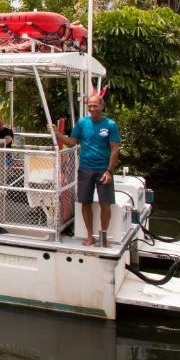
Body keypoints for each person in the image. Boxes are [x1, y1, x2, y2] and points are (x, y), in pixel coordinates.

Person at [57, 95, 121, 247]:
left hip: (103, 170)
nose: (92, 108)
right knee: (85, 203)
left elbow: (115, 149)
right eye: (90, 106)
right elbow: (72, 142)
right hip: (85, 168)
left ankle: (103, 238)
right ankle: (89, 236)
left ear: (102, 106)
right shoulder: (82, 122)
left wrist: (109, 171)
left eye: (95, 106)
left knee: (106, 204)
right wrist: (57, 134)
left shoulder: (110, 124)